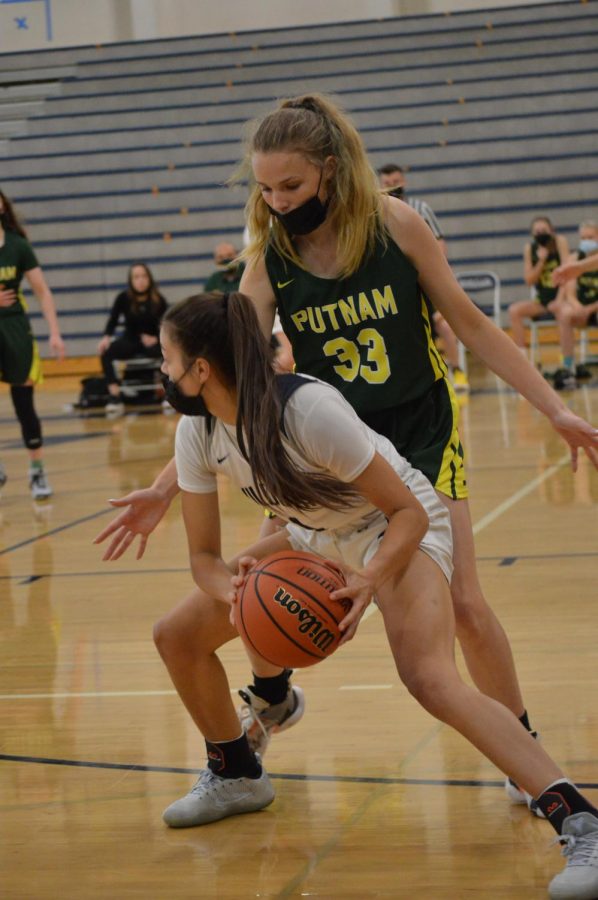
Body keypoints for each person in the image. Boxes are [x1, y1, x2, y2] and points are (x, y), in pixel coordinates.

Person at [95, 94, 598, 814]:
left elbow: (471, 322)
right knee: (263, 574)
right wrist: (164, 485)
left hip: (418, 435)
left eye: (290, 187)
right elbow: (224, 377)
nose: (276, 201)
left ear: (329, 171)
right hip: (332, 446)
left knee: (462, 604)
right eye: (264, 189)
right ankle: (260, 718)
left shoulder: (397, 226)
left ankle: (522, 749)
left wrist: (555, 409)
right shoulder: (270, 257)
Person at [108, 290, 598, 899]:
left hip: (394, 525)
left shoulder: (307, 409)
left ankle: (580, 820)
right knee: (177, 635)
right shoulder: (196, 432)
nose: (163, 370)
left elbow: (409, 512)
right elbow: (204, 559)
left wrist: (370, 579)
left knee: (430, 678)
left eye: (168, 359)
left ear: (200, 370)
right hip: (311, 533)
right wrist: (232, 588)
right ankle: (236, 771)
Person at [378, 162, 469, 393]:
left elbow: (439, 243)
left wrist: (432, 274)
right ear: (380, 184)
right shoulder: (375, 212)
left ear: (404, 181)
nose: (392, 186)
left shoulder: (420, 208)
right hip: (394, 286)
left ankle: (457, 370)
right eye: (388, 183)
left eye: (396, 182)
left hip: (424, 281)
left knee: (444, 325)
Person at [0, 188, 65, 500]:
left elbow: (42, 291)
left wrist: (54, 332)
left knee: (24, 404)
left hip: (14, 328)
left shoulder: (17, 245)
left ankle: (37, 473)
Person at [507, 217, 573, 388]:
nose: (541, 234)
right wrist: (542, 261)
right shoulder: (530, 248)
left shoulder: (560, 242)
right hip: (542, 300)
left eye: (544, 230)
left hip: (561, 297)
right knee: (515, 310)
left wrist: (559, 300)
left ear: (552, 230)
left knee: (564, 314)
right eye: (537, 232)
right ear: (532, 235)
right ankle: (524, 363)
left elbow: (568, 273)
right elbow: (529, 280)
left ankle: (567, 364)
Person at [97, 263, 167, 415]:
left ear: (149, 279)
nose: (140, 280)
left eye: (143, 276)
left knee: (169, 352)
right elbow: (113, 320)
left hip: (152, 343)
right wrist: (106, 337)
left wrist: (156, 338)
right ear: (131, 280)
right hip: (131, 341)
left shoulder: (158, 299)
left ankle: (168, 394)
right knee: (105, 352)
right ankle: (114, 395)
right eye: (136, 277)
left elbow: (166, 325)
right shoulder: (123, 298)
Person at [552, 221, 598, 379]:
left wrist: (591, 308)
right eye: (583, 238)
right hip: (583, 308)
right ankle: (568, 364)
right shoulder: (575, 258)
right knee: (564, 313)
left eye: (590, 237)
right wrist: (577, 306)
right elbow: (570, 291)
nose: (586, 241)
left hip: (594, 307)